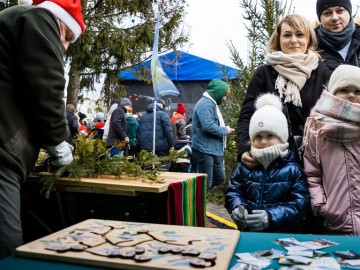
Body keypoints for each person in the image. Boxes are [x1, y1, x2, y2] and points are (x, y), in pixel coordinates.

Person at [0, 0, 85, 257]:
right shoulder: (39, 18)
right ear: (57, 19)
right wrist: (58, 139)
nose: (66, 46)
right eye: (68, 35)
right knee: (6, 247)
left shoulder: (17, 20)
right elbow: (46, 85)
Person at [236, 14, 331, 167]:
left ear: (309, 40)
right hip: (274, 162)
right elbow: (247, 116)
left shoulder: (323, 73)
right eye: (287, 35)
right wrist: (244, 148)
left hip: (315, 162)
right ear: (279, 40)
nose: (294, 40)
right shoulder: (264, 74)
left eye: (299, 34)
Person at [226, 93, 310, 232]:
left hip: (282, 236)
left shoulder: (293, 170)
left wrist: (271, 216)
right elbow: (233, 191)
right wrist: (237, 207)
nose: (263, 141)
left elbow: (300, 204)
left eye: (270, 135)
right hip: (249, 233)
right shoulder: (244, 167)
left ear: (282, 137)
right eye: (258, 136)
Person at [303, 64, 360, 235]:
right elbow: (311, 173)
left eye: (358, 91)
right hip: (336, 220)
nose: (351, 95)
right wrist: (321, 205)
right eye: (344, 89)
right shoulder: (317, 128)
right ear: (333, 92)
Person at [192, 79, 235, 190]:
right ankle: (198, 204)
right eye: (224, 95)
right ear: (218, 92)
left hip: (213, 149)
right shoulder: (205, 104)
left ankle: (200, 197)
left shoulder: (212, 104)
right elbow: (208, 126)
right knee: (205, 183)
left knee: (220, 178)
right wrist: (225, 130)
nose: (225, 99)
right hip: (204, 150)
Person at [315, 0, 360, 71]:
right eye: (327, 13)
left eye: (340, 11)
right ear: (320, 19)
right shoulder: (310, 47)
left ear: (349, 13)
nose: (334, 18)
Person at [138, 99, 174, 169]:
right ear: (161, 105)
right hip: (159, 147)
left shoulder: (143, 116)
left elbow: (139, 131)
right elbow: (168, 131)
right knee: (164, 165)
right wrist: (171, 145)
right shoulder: (163, 114)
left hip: (144, 147)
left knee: (147, 168)